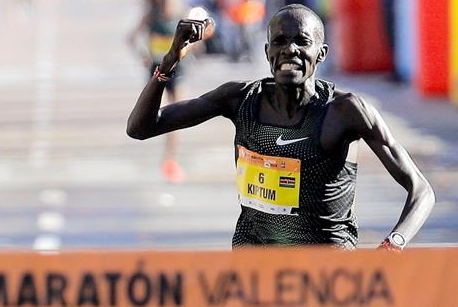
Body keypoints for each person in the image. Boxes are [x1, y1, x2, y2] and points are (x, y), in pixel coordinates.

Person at [126, 4, 435, 250]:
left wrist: (393, 246)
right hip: (257, 275)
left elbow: (421, 191)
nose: (290, 50)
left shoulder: (345, 110)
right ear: (267, 52)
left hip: (327, 280)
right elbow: (140, 128)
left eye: (302, 41)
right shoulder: (240, 99)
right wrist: (169, 61)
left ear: (321, 54)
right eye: (280, 41)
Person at [128, 0, 189, 183]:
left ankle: (170, 159)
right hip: (157, 71)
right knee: (156, 114)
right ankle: (166, 156)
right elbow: (131, 38)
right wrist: (144, 56)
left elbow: (196, 41)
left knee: (178, 114)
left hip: (178, 71)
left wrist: (184, 50)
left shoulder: (183, 13)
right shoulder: (151, 14)